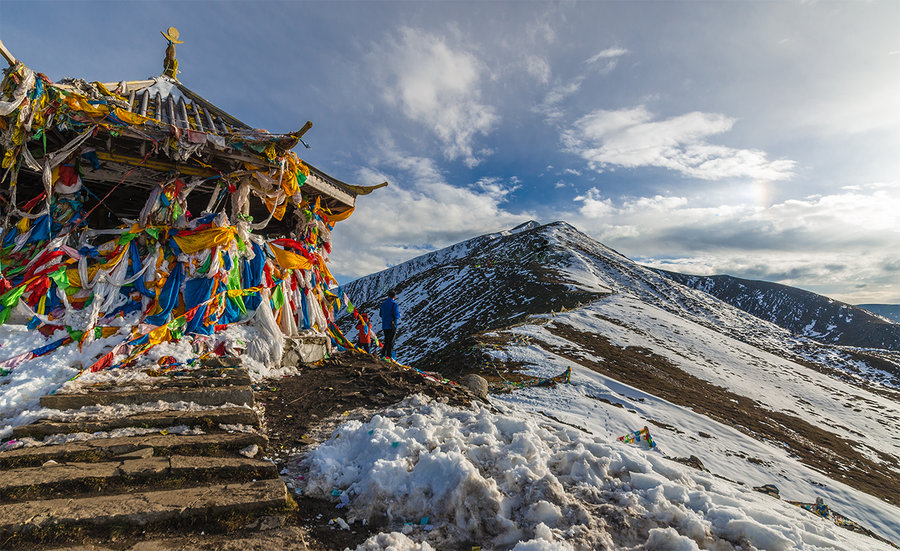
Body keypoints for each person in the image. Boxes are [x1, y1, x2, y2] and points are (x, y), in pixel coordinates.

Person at [379, 290, 400, 359]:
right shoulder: (394, 304)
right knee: (391, 341)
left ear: (388, 296)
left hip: (384, 325)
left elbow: (380, 314)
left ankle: (383, 355)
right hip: (392, 325)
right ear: (394, 297)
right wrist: (399, 315)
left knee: (386, 340)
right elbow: (396, 315)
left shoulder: (383, 304)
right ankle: (389, 356)